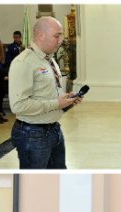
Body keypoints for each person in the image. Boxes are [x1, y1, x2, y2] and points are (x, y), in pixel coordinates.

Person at [8, 17, 82, 168]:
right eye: (57, 35)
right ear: (41, 35)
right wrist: (56, 103)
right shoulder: (24, 62)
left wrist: (66, 100)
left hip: (53, 129)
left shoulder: (49, 59)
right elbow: (18, 106)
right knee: (35, 184)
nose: (61, 40)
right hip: (32, 134)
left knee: (58, 178)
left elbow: (48, 94)